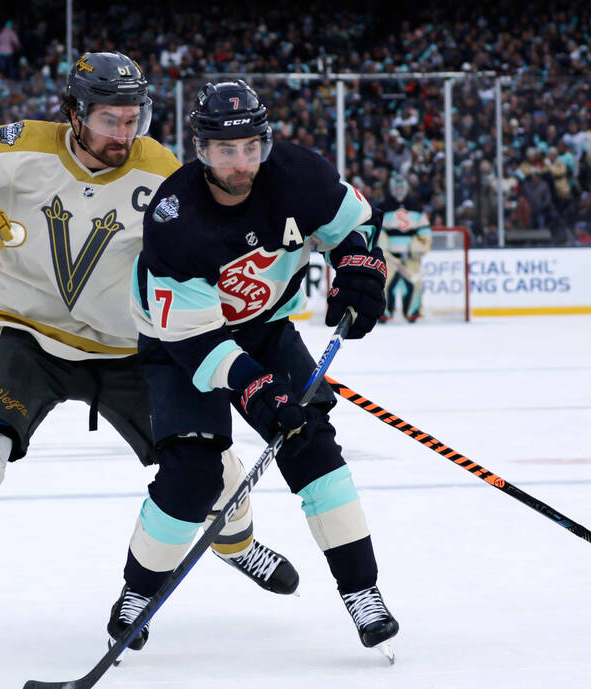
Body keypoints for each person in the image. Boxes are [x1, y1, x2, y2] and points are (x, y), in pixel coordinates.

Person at [0, 53, 299, 655]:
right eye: (111, 119)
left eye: (134, 118)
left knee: (213, 468)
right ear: (74, 114)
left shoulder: (163, 171)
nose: (125, 134)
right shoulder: (12, 148)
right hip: (29, 335)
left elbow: (212, 252)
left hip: (134, 345)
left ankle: (237, 546)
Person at [113, 79, 399, 658]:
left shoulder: (300, 175)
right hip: (179, 342)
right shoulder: (174, 217)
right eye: (225, 150)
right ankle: (137, 595)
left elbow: (355, 229)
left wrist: (360, 272)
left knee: (312, 444)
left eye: (250, 148)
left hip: (264, 327)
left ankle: (362, 592)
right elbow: (195, 339)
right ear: (202, 150)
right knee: (192, 476)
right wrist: (257, 388)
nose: (241, 164)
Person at [377, 173, 432, 323]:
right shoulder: (384, 206)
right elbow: (379, 229)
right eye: (397, 187)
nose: (399, 191)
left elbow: (424, 230)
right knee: (384, 283)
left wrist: (422, 245)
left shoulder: (416, 206)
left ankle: (412, 311)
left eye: (402, 187)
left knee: (415, 284)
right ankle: (384, 312)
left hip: (411, 257)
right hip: (390, 256)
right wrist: (382, 244)